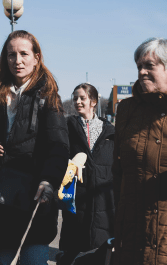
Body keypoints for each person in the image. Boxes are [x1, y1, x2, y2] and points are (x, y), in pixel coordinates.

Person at [0, 30, 69, 265]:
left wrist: (49, 181)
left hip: (33, 194)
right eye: (11, 55)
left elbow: (59, 146)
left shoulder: (48, 95)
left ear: (36, 57)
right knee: (1, 259)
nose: (18, 60)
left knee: (33, 259)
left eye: (24, 54)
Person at [113, 38, 167, 265]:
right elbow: (117, 173)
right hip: (133, 236)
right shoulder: (126, 111)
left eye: (149, 66)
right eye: (139, 67)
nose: (142, 72)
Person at [58, 83, 115, 265]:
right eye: (75, 98)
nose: (77, 101)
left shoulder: (111, 133)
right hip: (77, 198)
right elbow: (57, 155)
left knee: (100, 252)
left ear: (93, 101)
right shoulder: (67, 127)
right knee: (73, 250)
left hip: (103, 200)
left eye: (82, 98)